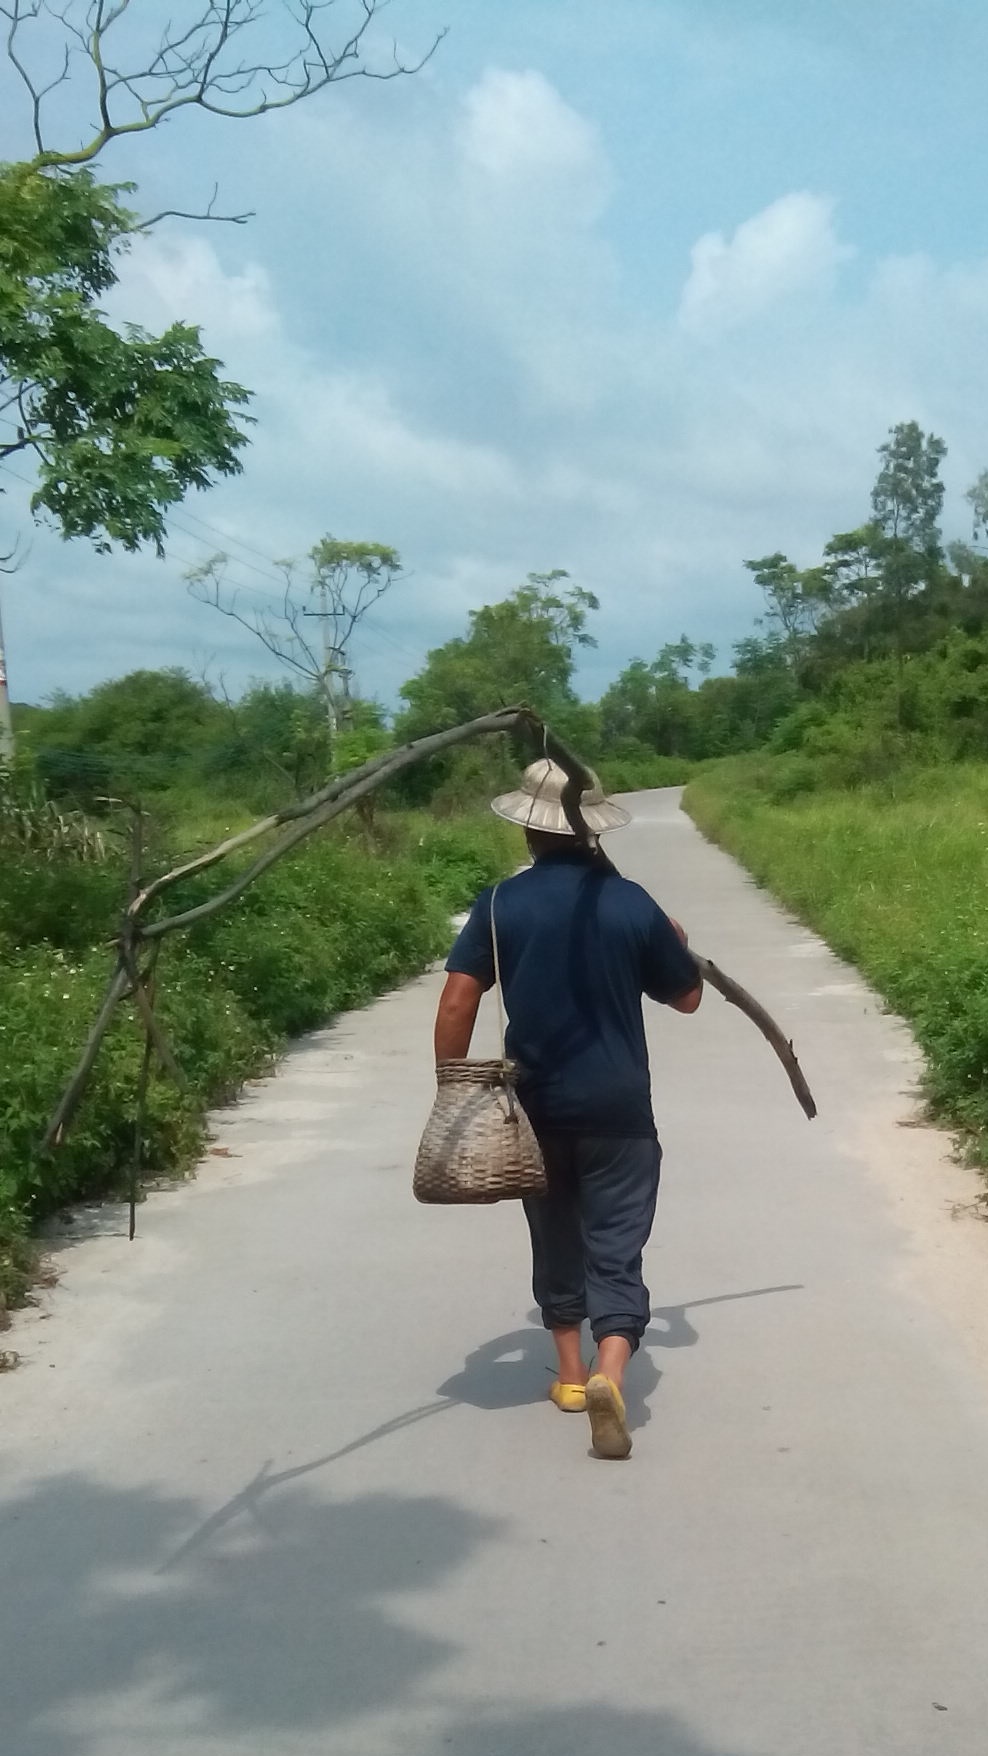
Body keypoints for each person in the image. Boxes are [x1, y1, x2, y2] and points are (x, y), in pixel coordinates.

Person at [433, 758, 703, 1460]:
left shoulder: (499, 904)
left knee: (555, 1233)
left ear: (529, 829)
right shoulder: (632, 902)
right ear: (593, 831)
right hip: (619, 1108)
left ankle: (574, 1378)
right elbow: (687, 997)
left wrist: (453, 1087)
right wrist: (673, 942)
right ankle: (614, 1366)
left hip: (536, 1108)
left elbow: (459, 999)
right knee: (616, 1243)